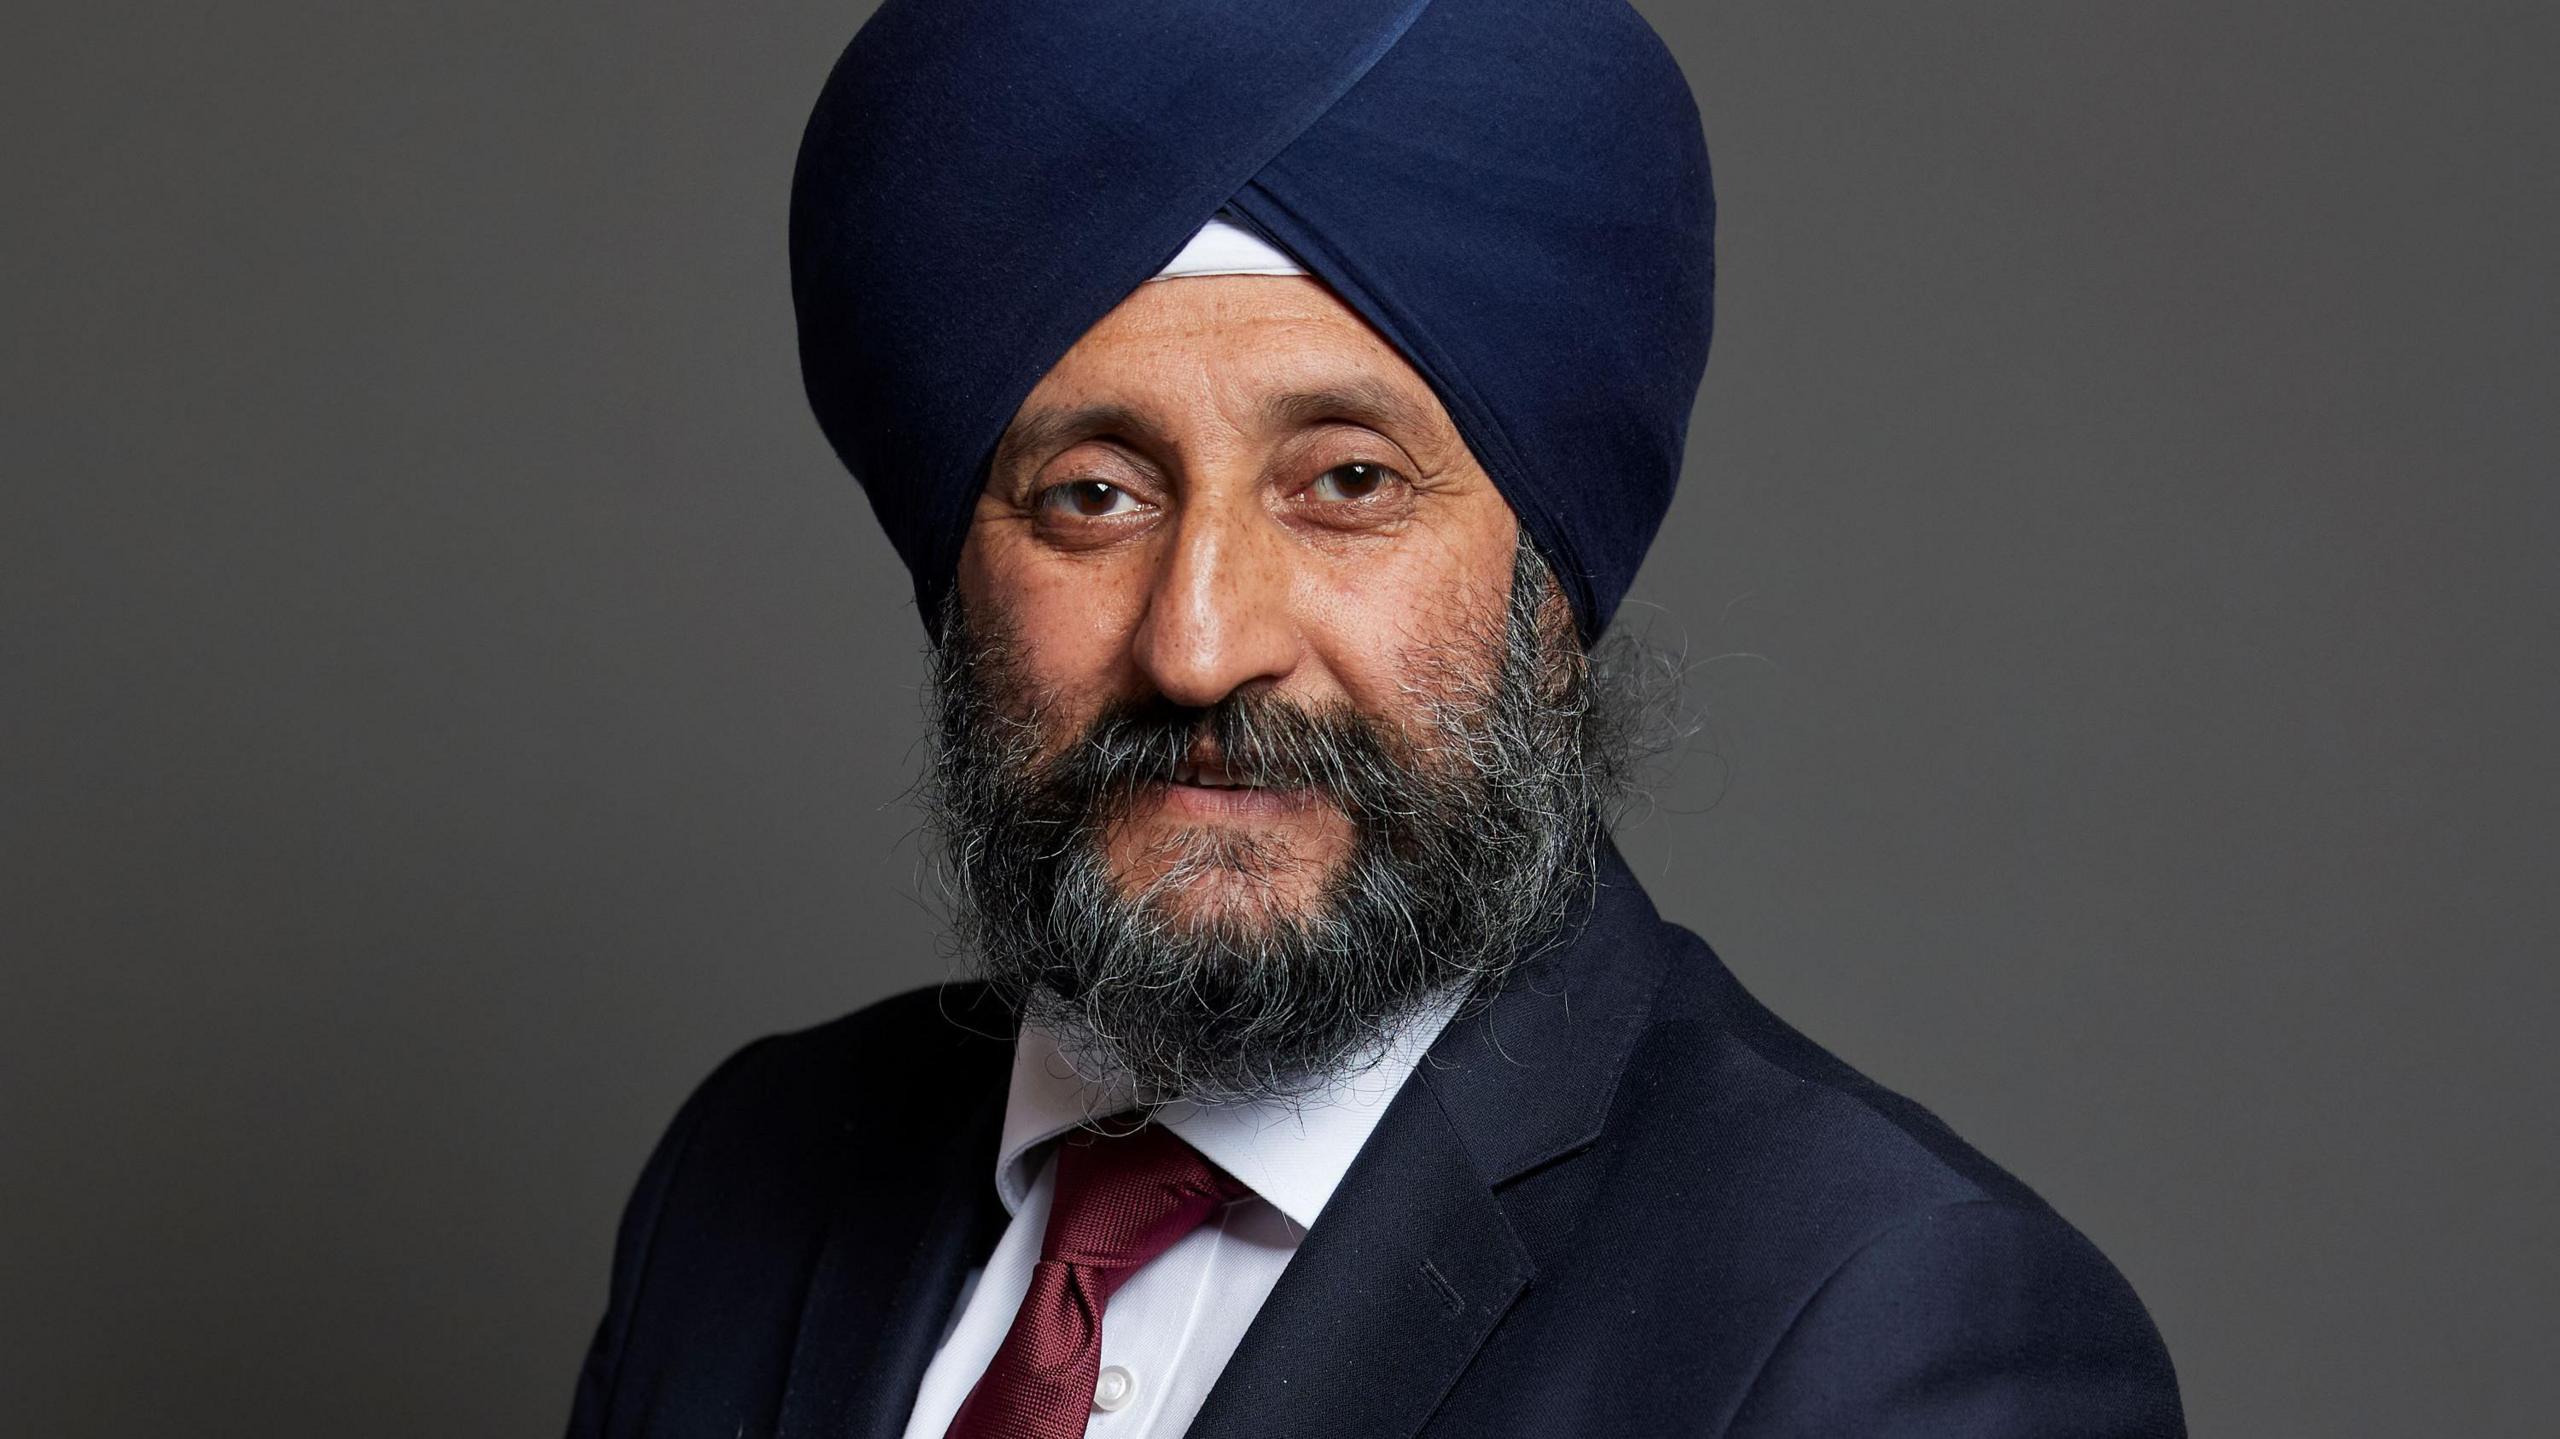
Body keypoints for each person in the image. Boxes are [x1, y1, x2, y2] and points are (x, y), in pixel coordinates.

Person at [566, 1, 2184, 1435]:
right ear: (962, 571)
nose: (1200, 648)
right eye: (1094, 494)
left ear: (1552, 581)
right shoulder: (747, 1187)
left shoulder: (1888, 1331)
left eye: (1347, 483)